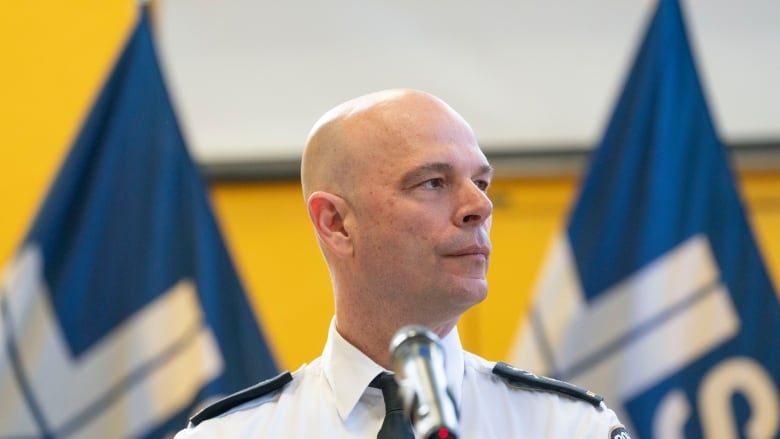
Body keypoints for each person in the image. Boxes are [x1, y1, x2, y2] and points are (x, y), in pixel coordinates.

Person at [174, 89, 630, 437]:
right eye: (433, 182)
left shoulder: (568, 427)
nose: (479, 207)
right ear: (336, 223)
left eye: (482, 182)